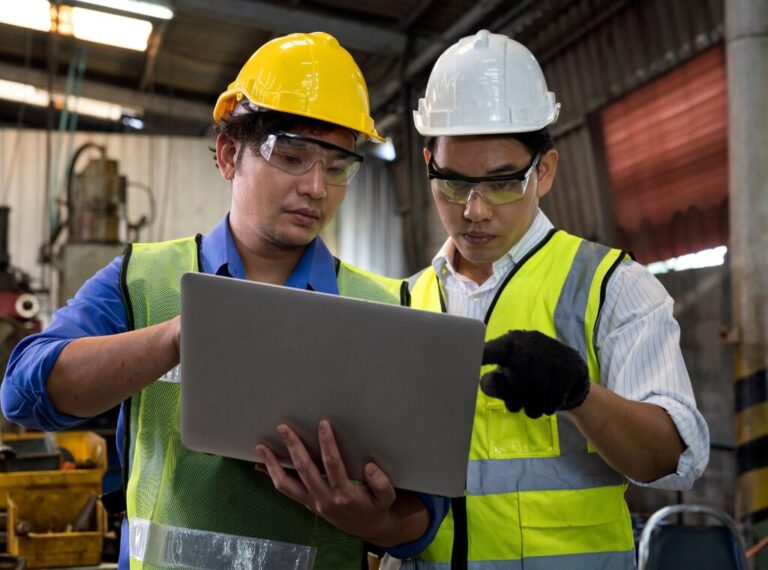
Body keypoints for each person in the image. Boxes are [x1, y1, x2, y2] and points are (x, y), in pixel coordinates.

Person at [1, 32, 447, 569]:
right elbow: (24, 395)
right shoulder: (144, 280)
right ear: (229, 153)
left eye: (337, 168)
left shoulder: (383, 306)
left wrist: (369, 520)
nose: (315, 188)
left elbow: (426, 513)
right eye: (292, 155)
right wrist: (174, 337)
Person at [398, 30, 710, 569]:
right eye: (452, 183)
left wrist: (578, 393)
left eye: (500, 183)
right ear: (428, 162)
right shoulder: (407, 298)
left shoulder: (611, 285)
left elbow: (670, 458)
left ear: (544, 171)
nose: (473, 210)